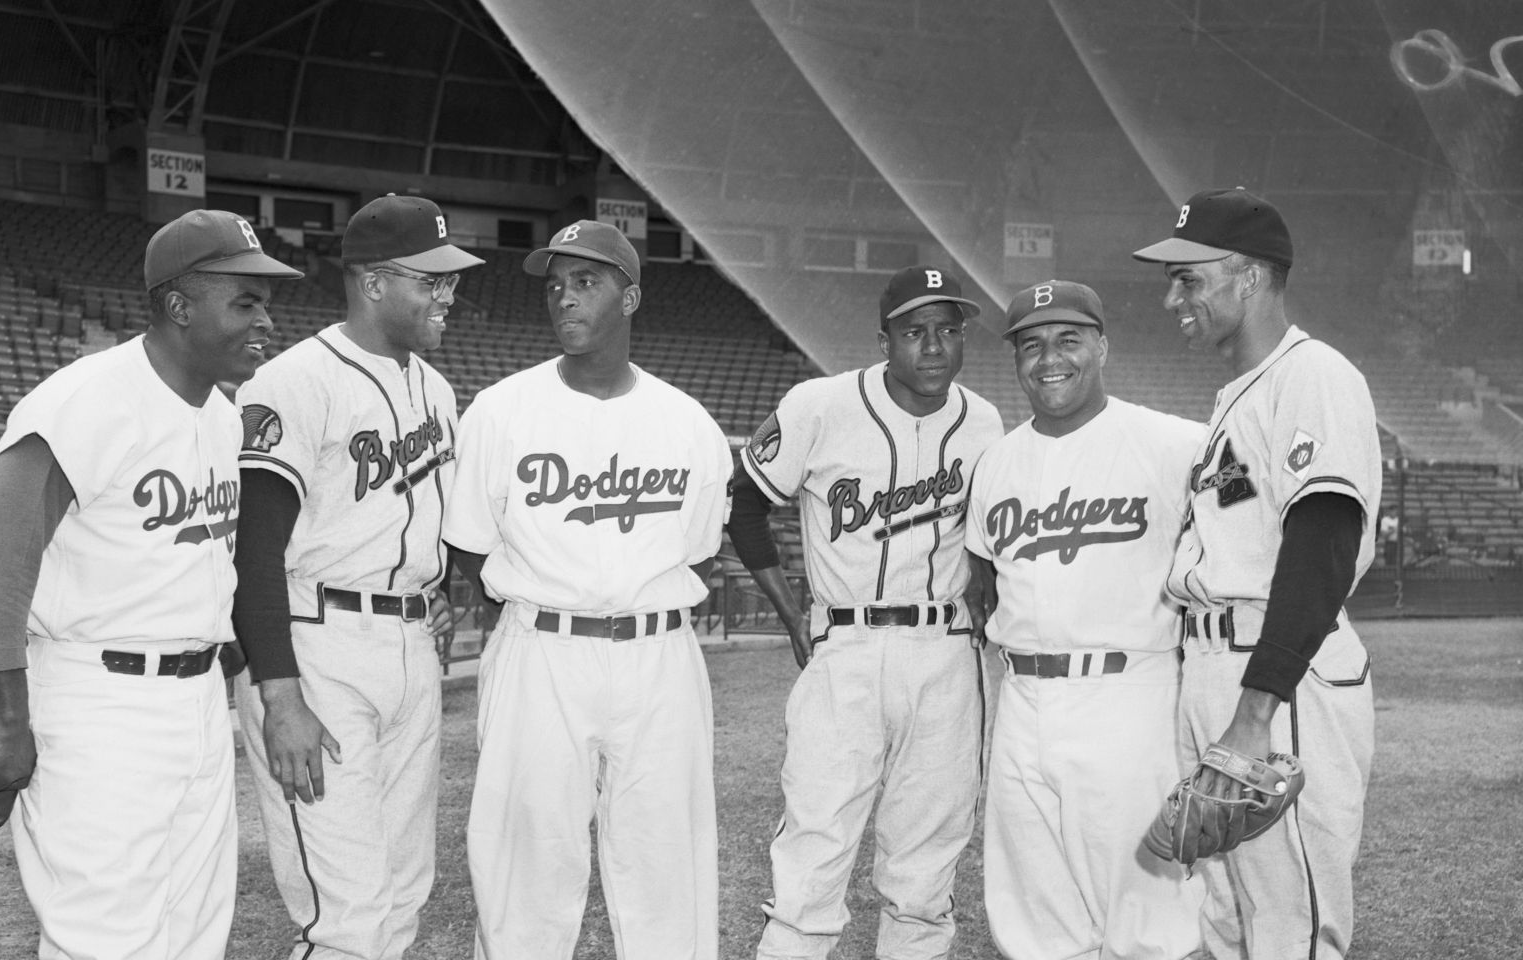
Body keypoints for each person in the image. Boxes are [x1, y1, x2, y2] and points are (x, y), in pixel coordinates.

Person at [0, 209, 302, 959]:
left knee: (195, 931)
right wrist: (9, 724)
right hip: (101, 707)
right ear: (179, 306)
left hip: (196, 702)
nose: (266, 321)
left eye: (266, 303)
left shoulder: (222, 416)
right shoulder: (86, 400)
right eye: (246, 302)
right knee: (105, 939)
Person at [442, 220, 732, 960]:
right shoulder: (500, 410)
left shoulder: (687, 422)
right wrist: (536, 604)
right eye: (554, 285)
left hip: (658, 654)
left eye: (585, 282)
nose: (564, 297)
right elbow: (468, 547)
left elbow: (699, 554)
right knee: (525, 869)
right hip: (541, 650)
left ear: (629, 298)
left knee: (666, 866)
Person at [1132, 187, 1382, 959]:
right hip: (1219, 662)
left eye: (1189, 278)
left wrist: (1253, 711)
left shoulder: (1314, 375)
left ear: (1248, 277)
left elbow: (1323, 543)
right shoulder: (1238, 396)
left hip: (1278, 676)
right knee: (1225, 917)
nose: (1173, 298)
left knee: (1287, 925)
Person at [229, 194, 480, 959]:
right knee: (348, 919)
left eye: (450, 279)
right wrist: (280, 696)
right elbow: (253, 553)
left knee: (403, 896)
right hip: (319, 648)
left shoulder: (436, 389)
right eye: (430, 280)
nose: (448, 294)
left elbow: (424, 518)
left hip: (409, 646)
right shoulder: (293, 382)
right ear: (373, 283)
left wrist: (441, 592)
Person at [727, 265, 1002, 959]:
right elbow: (746, 500)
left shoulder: (984, 421)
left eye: (948, 330)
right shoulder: (820, 405)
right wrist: (790, 611)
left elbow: (987, 537)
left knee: (927, 858)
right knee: (815, 845)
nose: (933, 346)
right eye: (915, 332)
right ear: (884, 342)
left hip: (946, 651)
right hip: (847, 645)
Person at [961, 279, 1203, 960]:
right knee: (1035, 911)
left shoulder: (1173, 444)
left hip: (1129, 693)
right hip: (1023, 698)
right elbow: (985, 582)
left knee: (1148, 912)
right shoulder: (997, 463)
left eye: (1068, 339)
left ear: (1102, 348)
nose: (1049, 359)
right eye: (1031, 345)